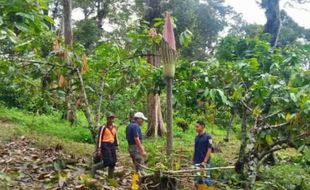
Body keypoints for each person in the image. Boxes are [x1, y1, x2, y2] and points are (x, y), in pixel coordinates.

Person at [91, 112, 118, 179]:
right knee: (107, 161)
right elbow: (99, 138)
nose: (111, 120)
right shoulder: (103, 127)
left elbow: (115, 136)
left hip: (112, 145)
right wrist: (98, 149)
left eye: (112, 118)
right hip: (105, 145)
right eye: (110, 118)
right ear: (107, 119)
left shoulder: (114, 127)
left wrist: (117, 145)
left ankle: (110, 177)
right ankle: (94, 167)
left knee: (113, 162)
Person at [193, 120, 213, 186]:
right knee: (198, 179)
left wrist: (205, 161)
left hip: (205, 162)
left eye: (197, 126)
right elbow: (195, 149)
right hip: (196, 161)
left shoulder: (208, 137)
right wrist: (193, 160)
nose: (196, 128)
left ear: (202, 127)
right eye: (195, 127)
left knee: (207, 178)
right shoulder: (196, 138)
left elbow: (209, 149)